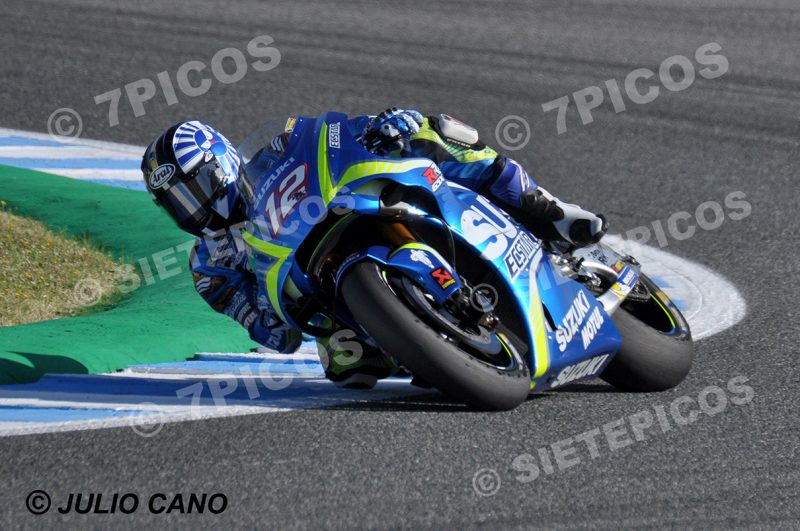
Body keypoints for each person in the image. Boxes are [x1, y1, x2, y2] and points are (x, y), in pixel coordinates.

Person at [141, 110, 607, 388]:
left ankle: (549, 210)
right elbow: (278, 339)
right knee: (348, 369)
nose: (196, 206)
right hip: (320, 296)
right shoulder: (209, 267)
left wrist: (382, 124)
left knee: (431, 129)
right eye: (179, 202)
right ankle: (435, 347)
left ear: (222, 159)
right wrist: (260, 313)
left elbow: (332, 136)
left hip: (345, 212)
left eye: (198, 186)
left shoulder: (273, 151)